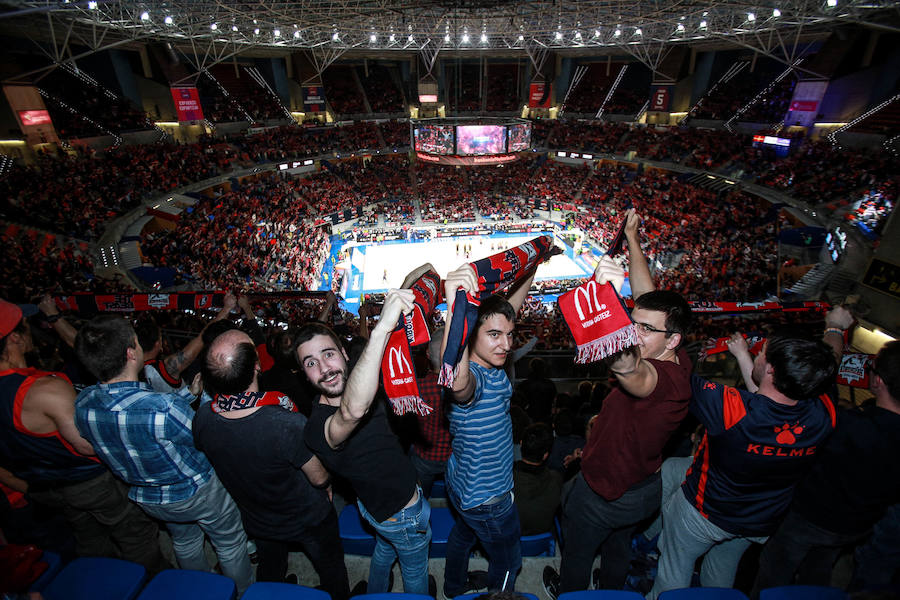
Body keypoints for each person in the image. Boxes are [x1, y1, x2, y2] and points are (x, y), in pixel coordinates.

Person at [544, 209, 693, 596]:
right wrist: (631, 238)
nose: (634, 329)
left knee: (576, 555)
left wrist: (608, 311)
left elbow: (630, 372)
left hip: (606, 493)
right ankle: (614, 589)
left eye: (643, 329)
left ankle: (572, 593)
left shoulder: (667, 381)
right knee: (618, 548)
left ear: (672, 339)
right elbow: (646, 297)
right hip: (640, 486)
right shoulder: (671, 348)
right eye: (633, 321)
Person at [647, 327, 839, 599]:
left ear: (771, 369)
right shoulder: (824, 413)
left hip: (705, 513)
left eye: (759, 353)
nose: (756, 354)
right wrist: (834, 330)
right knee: (722, 570)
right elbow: (830, 359)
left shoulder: (730, 407)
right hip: (759, 520)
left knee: (674, 564)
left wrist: (673, 340)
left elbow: (674, 375)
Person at [73, 315, 252, 594]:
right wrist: (202, 401)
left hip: (147, 496)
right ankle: (239, 592)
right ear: (132, 353)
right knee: (229, 542)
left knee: (184, 541)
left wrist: (186, 397)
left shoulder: (83, 403)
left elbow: (136, 417)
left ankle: (201, 590)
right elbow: (202, 439)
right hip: (196, 490)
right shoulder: (163, 408)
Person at [0, 298, 168, 573]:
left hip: (46, 484)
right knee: (134, 532)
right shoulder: (43, 391)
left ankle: (100, 581)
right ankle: (153, 581)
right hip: (88, 480)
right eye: (25, 326)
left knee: (89, 537)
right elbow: (87, 445)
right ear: (15, 338)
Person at [193, 329, 350, 599]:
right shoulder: (285, 422)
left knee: (271, 565)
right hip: (306, 518)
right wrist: (327, 482)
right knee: (331, 567)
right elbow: (319, 478)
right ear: (257, 366)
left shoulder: (203, 417)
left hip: (257, 517)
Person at [751, 317, 900, 596]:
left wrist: (833, 328)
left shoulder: (848, 426)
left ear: (877, 381)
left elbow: (824, 377)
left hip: (806, 517)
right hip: (857, 526)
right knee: (819, 569)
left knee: (774, 570)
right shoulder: (862, 425)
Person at [298, 288, 432, 595]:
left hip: (375, 509)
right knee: (415, 571)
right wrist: (381, 327)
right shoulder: (315, 429)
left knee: (384, 552)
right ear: (304, 375)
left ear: (345, 354)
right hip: (401, 513)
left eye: (328, 354)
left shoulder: (361, 373)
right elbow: (351, 411)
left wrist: (414, 287)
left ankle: (374, 591)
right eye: (310, 363)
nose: (325, 369)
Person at [440, 262, 537, 596]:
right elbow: (456, 381)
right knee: (510, 562)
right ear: (470, 335)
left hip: (461, 484)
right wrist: (457, 309)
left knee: (463, 536)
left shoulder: (492, 360)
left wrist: (533, 267)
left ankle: (452, 588)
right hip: (488, 499)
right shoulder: (475, 380)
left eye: (509, 335)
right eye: (494, 336)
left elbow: (508, 312)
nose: (506, 345)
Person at [135, 293, 236, 392]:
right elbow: (202, 338)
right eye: (161, 339)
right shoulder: (159, 370)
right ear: (158, 344)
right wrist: (227, 308)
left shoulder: (127, 366)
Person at [408, 328, 452, 498]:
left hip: (424, 457)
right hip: (452, 456)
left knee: (420, 498)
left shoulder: (418, 388)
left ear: (427, 353)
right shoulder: (462, 388)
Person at [513, 423, 562, 537]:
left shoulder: (504, 479)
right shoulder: (556, 479)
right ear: (545, 455)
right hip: (542, 539)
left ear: (521, 444)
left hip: (509, 540)